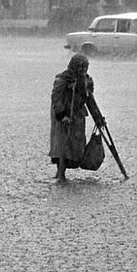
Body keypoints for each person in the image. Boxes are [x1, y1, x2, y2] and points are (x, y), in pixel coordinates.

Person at [49, 53, 95, 181]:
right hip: (63, 114)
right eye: (80, 67)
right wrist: (62, 115)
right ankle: (60, 173)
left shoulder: (86, 80)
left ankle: (65, 169)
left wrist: (98, 117)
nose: (82, 70)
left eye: (85, 67)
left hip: (77, 114)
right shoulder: (63, 79)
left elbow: (90, 99)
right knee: (62, 144)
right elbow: (56, 98)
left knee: (75, 143)